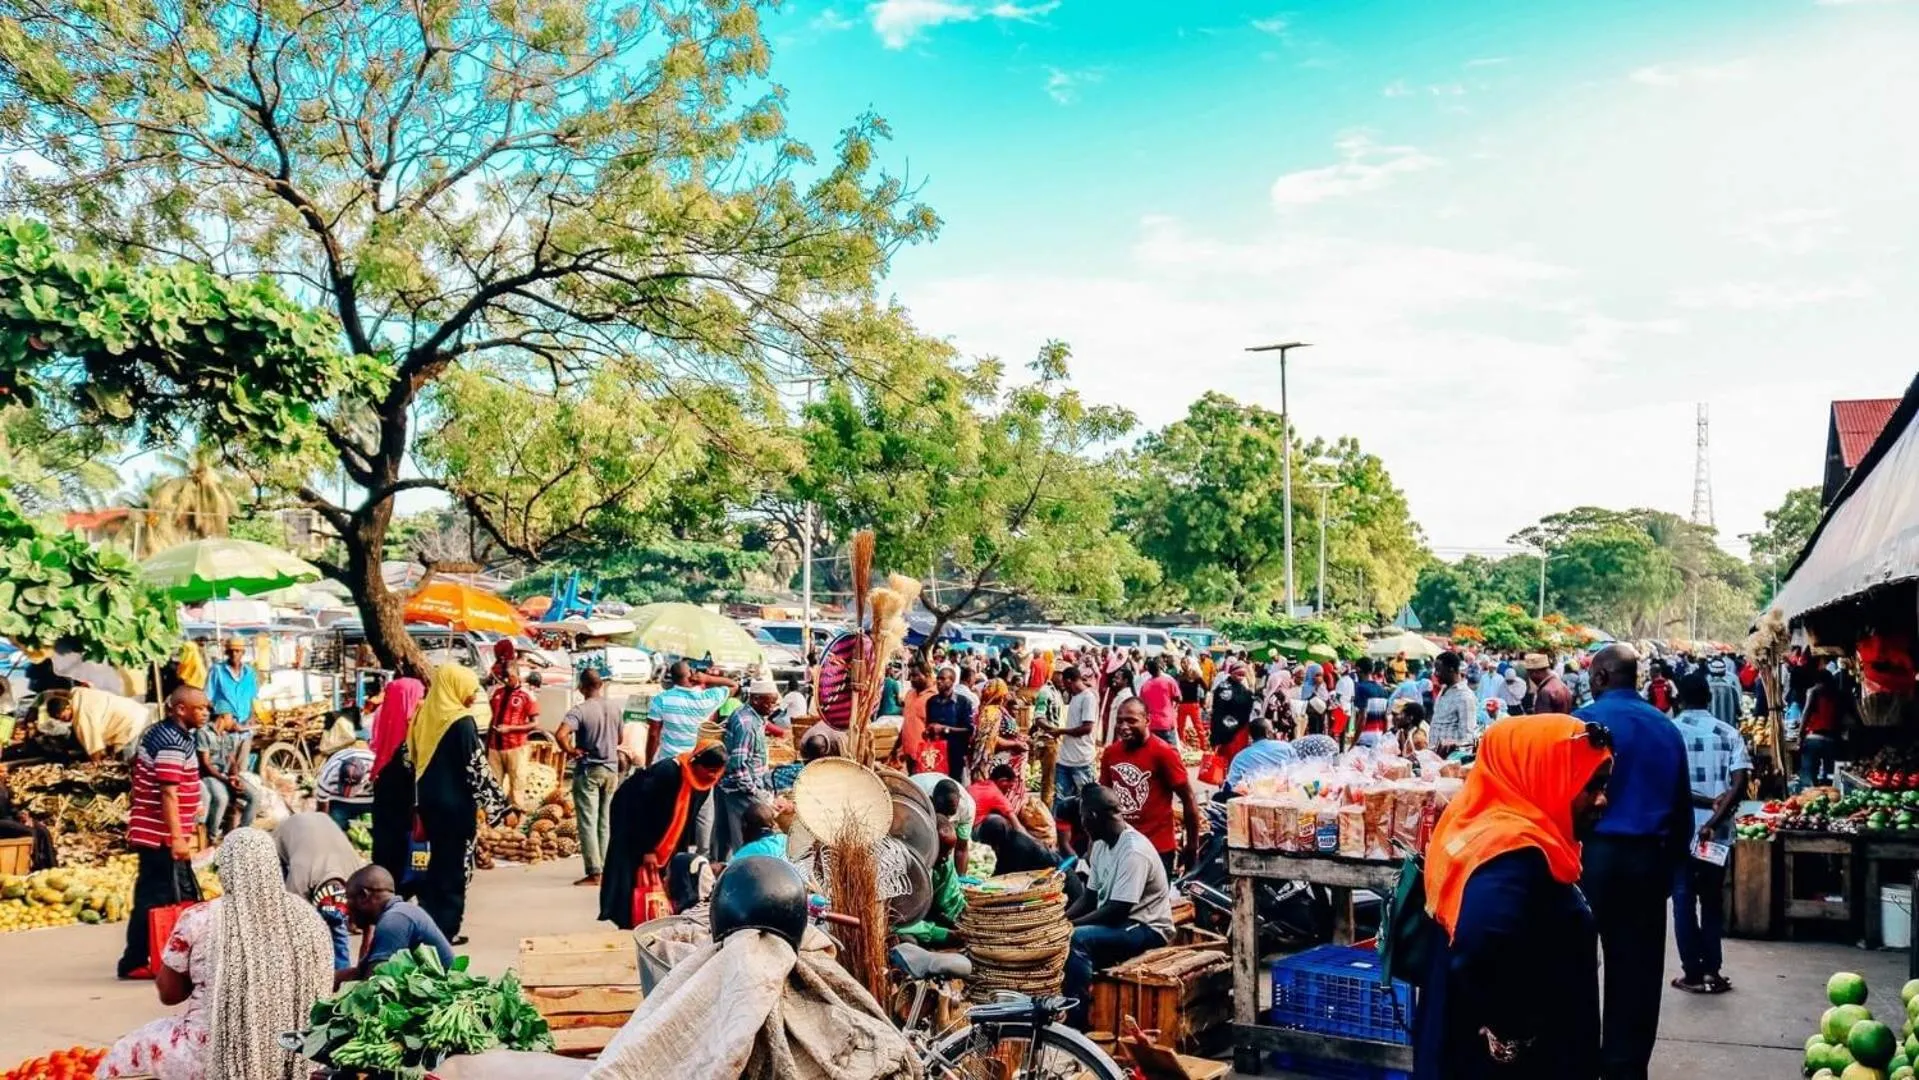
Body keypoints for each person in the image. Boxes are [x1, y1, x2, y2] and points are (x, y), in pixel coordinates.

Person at [1413, 715, 1614, 1080]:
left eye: (1604, 785)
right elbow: (1479, 944)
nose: (1602, 800)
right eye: (1590, 785)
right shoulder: (1513, 853)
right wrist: (1511, 1033)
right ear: (1544, 774)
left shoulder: (1478, 824)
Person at [99, 828, 334, 1080]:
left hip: (214, 1054)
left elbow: (170, 994)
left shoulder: (202, 918)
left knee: (127, 1051)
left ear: (226, 870)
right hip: (296, 1051)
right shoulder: (308, 917)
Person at [1573, 644, 1693, 1080]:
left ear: (1602, 677)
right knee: (1637, 975)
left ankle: (1579, 1060)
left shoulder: (1579, 724)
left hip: (1589, 859)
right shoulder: (1666, 728)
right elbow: (1682, 811)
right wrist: (1670, 872)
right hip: (1646, 862)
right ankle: (1625, 1068)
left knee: (1576, 967)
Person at [407, 664, 511, 944]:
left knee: (437, 865)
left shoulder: (423, 716)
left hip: (429, 805)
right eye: (468, 690)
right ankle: (446, 931)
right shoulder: (461, 722)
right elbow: (476, 767)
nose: (470, 697)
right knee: (453, 870)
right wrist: (500, 808)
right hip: (455, 810)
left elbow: (410, 758)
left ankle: (429, 925)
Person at [1062, 785, 1176, 1029]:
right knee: (1066, 934)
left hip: (1145, 927)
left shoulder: (1134, 851)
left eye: (1082, 816)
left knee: (1077, 939)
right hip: (1122, 923)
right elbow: (1089, 898)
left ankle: (1077, 1020)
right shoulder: (1101, 845)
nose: (1081, 823)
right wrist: (1058, 921)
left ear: (1092, 816)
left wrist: (1070, 926)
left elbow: (1117, 911)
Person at [119, 687, 210, 980]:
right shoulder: (171, 740)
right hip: (159, 835)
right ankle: (135, 961)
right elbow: (167, 793)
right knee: (155, 897)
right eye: (200, 708)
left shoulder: (170, 734)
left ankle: (170, 958)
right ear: (180, 709)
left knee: (168, 894)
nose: (206, 713)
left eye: (207, 708)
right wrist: (177, 838)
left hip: (161, 832)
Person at [1669, 672, 1751, 996]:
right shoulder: (1729, 733)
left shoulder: (1669, 732)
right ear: (1710, 698)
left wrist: (1700, 806)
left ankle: (1692, 972)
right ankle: (1713, 972)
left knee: (1684, 900)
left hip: (1680, 831)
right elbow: (1740, 783)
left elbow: (1667, 788)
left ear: (1680, 699)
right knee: (1713, 900)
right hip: (1715, 837)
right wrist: (1714, 819)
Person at [599, 741, 727, 929]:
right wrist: (647, 849)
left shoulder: (703, 783)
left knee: (665, 882)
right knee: (632, 882)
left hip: (667, 836)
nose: (714, 775)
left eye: (718, 770)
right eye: (710, 769)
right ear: (696, 764)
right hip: (634, 828)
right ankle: (631, 926)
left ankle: (655, 921)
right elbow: (641, 811)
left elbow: (685, 819)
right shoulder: (667, 773)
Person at [1099, 698, 1200, 878]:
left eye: (1131, 720)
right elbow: (1104, 799)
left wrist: (1192, 844)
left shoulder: (1163, 752)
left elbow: (1188, 797)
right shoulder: (1110, 754)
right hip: (1121, 846)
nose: (1123, 726)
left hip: (1157, 848)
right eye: (1120, 721)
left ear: (1147, 720)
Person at [272, 811, 365, 969]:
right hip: (289, 831)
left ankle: (340, 971)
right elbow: (290, 915)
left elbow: (368, 925)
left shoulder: (358, 874)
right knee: (295, 924)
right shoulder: (300, 876)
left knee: (336, 927)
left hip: (323, 822)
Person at [558, 668, 624, 886]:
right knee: (605, 821)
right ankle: (606, 867)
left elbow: (561, 734)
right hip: (612, 769)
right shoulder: (615, 708)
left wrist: (570, 750)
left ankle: (594, 871)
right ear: (600, 685)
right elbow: (620, 738)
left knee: (588, 821)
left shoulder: (579, 710)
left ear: (582, 687)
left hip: (590, 770)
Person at [339, 864, 455, 984]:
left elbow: (373, 984)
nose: (346, 908)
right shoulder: (399, 913)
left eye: (348, 898)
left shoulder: (395, 920)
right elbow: (359, 973)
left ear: (364, 895)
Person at [712, 677, 787, 861]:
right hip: (740, 791)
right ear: (755, 699)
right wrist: (756, 793)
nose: (773, 706)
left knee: (724, 837)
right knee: (743, 841)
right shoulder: (747, 724)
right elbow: (739, 766)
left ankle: (720, 868)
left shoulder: (752, 716)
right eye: (770, 702)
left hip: (733, 787)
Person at [366, 661, 425, 887]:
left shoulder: (386, 731)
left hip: (385, 794)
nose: (421, 703)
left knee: (385, 848)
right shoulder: (411, 744)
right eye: (418, 698)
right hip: (405, 815)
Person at [647, 660, 737, 765]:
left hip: (667, 761)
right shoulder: (706, 698)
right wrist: (707, 678)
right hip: (693, 761)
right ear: (691, 674)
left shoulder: (660, 700)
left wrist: (648, 763)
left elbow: (653, 735)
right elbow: (734, 685)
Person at [45, 684, 151, 761]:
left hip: (130, 724)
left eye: (62, 716)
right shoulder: (80, 694)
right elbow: (69, 692)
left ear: (67, 707)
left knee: (126, 763)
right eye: (59, 719)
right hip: (137, 713)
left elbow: (95, 748)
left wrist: (97, 764)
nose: (62, 720)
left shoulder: (82, 715)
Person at [485, 665, 539, 807]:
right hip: (494, 747)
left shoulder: (527, 695)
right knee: (493, 784)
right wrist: (487, 744)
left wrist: (510, 729)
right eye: (504, 676)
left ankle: (516, 819)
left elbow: (535, 724)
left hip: (516, 747)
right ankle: (495, 817)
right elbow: (493, 718)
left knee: (517, 785)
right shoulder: (497, 693)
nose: (506, 679)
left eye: (509, 676)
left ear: (518, 675)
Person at [196, 711, 255, 840]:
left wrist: (234, 777)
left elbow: (232, 760)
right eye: (232, 717)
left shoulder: (227, 736)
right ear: (223, 716)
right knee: (222, 798)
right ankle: (211, 837)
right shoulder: (203, 733)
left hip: (226, 776)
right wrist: (226, 780)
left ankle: (241, 835)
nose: (233, 721)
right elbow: (206, 764)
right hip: (210, 776)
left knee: (254, 796)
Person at [205, 638, 259, 773]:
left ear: (243, 652)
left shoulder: (249, 673)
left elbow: (252, 698)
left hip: (245, 729)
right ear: (226, 652)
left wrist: (251, 716)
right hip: (226, 731)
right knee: (226, 768)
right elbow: (207, 698)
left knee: (242, 769)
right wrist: (224, 716)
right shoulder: (217, 671)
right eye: (231, 651)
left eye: (238, 651)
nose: (234, 654)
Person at [1052, 666, 1099, 820]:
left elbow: (1087, 728)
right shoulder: (1076, 697)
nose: (1065, 688)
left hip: (1082, 760)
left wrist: (1061, 731)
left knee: (1085, 801)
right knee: (1061, 801)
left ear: (1070, 681)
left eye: (1065, 684)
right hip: (1065, 759)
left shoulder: (1088, 698)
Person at [913, 772, 977, 876]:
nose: (947, 818)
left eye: (950, 813)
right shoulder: (916, 798)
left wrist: (961, 879)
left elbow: (961, 848)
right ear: (931, 800)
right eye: (943, 812)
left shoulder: (968, 808)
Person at [924, 665, 977, 782]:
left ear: (952, 681)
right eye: (938, 678)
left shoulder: (963, 702)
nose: (938, 682)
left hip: (955, 755)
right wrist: (928, 731)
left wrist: (944, 729)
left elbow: (969, 730)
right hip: (935, 754)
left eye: (943, 679)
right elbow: (928, 724)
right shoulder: (931, 702)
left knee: (954, 785)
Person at [969, 679, 1027, 786]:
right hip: (994, 762)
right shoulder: (991, 713)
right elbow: (991, 740)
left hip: (1006, 760)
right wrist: (1015, 744)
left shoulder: (996, 710)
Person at [0, 764, 56, 871]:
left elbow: (11, 807)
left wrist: (22, 816)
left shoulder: (5, 788)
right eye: (1, 772)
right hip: (2, 822)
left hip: (8, 819)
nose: (5, 775)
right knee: (29, 832)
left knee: (42, 830)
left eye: (5, 772)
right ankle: (35, 865)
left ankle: (51, 865)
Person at [313, 742, 375, 831]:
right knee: (335, 827)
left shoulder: (376, 769)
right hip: (340, 801)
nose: (349, 794)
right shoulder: (328, 775)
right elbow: (322, 810)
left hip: (368, 801)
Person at [1224, 717, 1299, 791]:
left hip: (1250, 799)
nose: (1274, 732)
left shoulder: (1239, 758)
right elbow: (1298, 772)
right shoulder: (1286, 748)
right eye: (1272, 730)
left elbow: (1230, 785)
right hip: (1283, 797)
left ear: (1251, 736)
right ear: (1267, 733)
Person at [1800, 666, 1845, 788]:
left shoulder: (1813, 691)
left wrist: (1800, 734)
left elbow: (1806, 712)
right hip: (1832, 739)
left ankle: (1810, 795)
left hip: (1814, 737)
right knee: (1830, 777)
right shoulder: (1838, 694)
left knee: (1809, 775)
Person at [1429, 651, 1480, 757]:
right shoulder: (1443, 690)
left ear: (1451, 670)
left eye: (1439, 670)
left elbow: (1469, 740)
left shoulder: (1465, 697)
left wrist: (1452, 746)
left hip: (1450, 760)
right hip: (1433, 757)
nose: (1435, 674)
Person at [1210, 662, 1257, 762]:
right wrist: (1215, 734)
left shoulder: (1242, 688)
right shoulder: (1223, 688)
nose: (1241, 677)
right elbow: (1218, 711)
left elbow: (1248, 703)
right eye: (1238, 674)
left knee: (1239, 757)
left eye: (1243, 675)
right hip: (1227, 731)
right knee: (1228, 758)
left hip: (1241, 729)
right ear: (1231, 673)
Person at [898, 664, 935, 775]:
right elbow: (906, 722)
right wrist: (897, 746)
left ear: (927, 675)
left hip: (926, 753)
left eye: (915, 676)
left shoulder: (934, 697)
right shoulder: (909, 694)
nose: (911, 679)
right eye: (911, 676)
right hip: (908, 751)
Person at [1136, 657, 1180, 748]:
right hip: (1166, 723)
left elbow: (1141, 704)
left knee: (1154, 749)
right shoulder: (1169, 681)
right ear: (1160, 667)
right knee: (1172, 751)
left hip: (1151, 724)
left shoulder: (1145, 685)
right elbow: (1179, 698)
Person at [1175, 657, 1209, 752]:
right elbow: (1176, 689)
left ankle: (1204, 746)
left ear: (1190, 663)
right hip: (1182, 705)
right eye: (1182, 663)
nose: (1184, 664)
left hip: (1194, 704)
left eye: (1185, 662)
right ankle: (1182, 746)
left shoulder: (1195, 674)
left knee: (1198, 726)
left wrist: (1203, 699)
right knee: (1180, 726)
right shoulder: (1180, 676)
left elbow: (1206, 687)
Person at [1704, 659, 1742, 730]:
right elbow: (1738, 711)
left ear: (1711, 673)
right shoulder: (1731, 689)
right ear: (1724, 673)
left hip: (1711, 728)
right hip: (1728, 728)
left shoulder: (1706, 688)